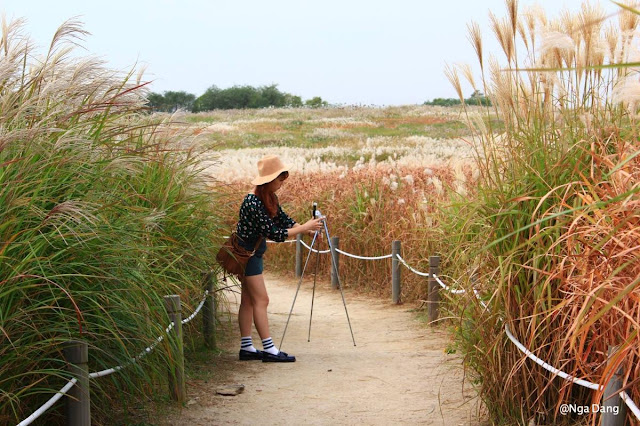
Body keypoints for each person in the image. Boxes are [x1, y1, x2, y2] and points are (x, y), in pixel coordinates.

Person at [236, 155, 324, 362]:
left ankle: (247, 347)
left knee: (248, 300)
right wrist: (305, 227)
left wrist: (307, 229)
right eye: (280, 178)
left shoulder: (267, 197)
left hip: (252, 253)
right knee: (261, 300)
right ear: (269, 179)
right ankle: (269, 349)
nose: (282, 182)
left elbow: (284, 220)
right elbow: (274, 233)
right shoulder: (252, 202)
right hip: (247, 255)